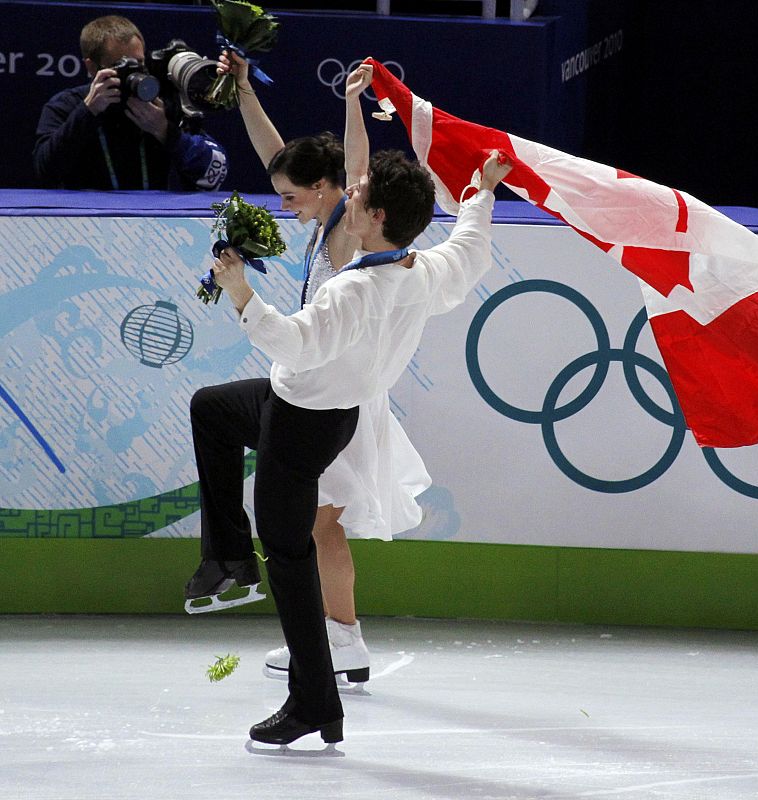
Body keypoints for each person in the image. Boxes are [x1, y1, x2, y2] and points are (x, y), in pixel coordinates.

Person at [184, 61, 512, 745]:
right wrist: (480, 192)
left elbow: (291, 344)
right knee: (212, 410)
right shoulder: (427, 271)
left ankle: (316, 700)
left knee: (295, 551)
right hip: (307, 406)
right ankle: (228, 561)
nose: (350, 199)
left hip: (305, 421)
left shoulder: (351, 290)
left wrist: (239, 288)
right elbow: (471, 244)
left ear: (374, 216)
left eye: (359, 199)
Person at [213, 53, 431, 686]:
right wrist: (247, 93)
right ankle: (341, 641)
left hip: (337, 398)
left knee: (317, 526)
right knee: (318, 526)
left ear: (328, 190)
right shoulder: (320, 217)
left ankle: (341, 641)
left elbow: (355, 164)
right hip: (328, 389)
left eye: (290, 196)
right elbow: (279, 156)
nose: (283, 206)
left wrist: (352, 104)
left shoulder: (344, 224)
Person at [33, 15, 227, 191]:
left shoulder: (158, 106)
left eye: (139, 64)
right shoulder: (66, 106)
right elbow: (45, 172)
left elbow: (213, 172)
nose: (135, 76)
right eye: (122, 66)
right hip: (86, 220)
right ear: (92, 67)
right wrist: (87, 112)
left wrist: (166, 132)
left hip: (156, 221)